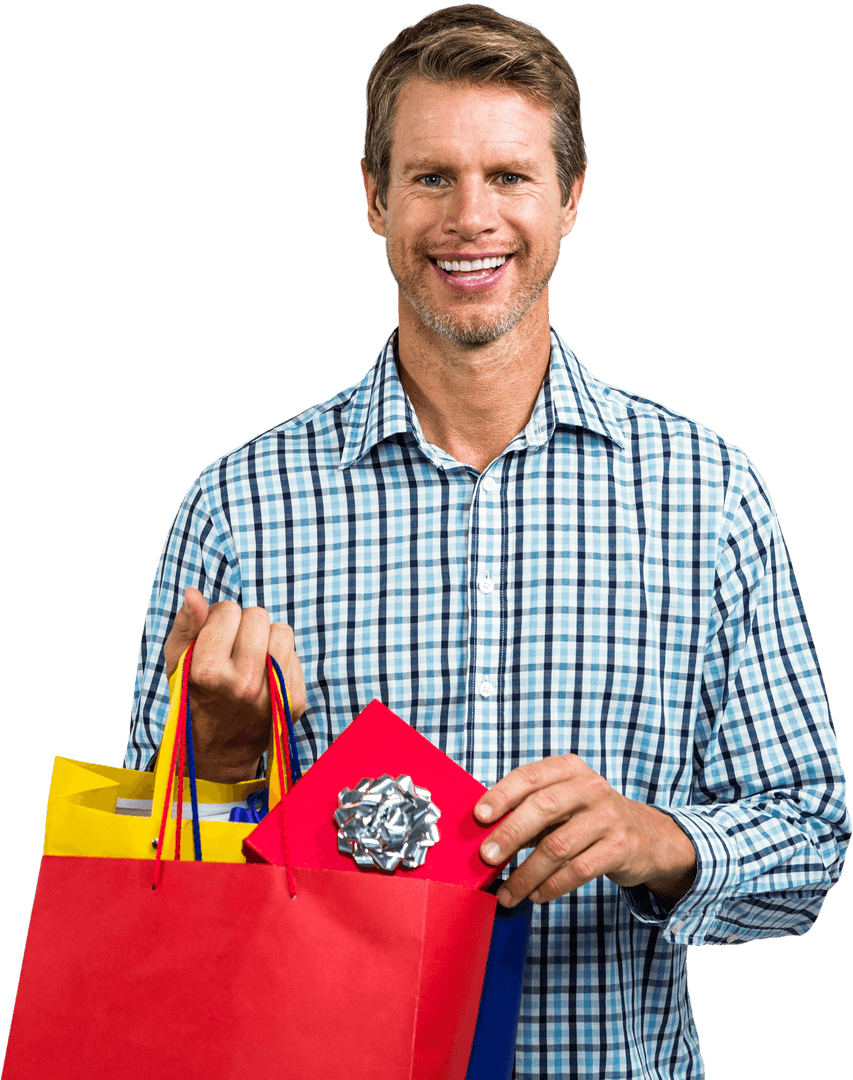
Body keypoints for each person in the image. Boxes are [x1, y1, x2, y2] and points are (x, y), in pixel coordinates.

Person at [126, 5, 849, 1077]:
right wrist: (223, 761)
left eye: (508, 177)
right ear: (374, 199)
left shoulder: (710, 493)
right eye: (431, 178)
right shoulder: (240, 504)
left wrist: (663, 842)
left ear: (570, 197)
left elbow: (812, 839)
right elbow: (152, 882)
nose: (472, 218)